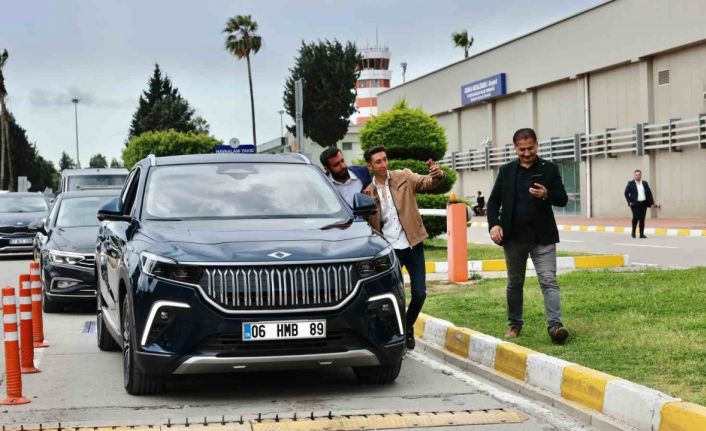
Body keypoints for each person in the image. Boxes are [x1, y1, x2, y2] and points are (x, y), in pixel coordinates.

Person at [486, 128, 570, 344]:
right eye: (522, 149)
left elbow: (562, 199)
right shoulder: (506, 171)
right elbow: (493, 202)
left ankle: (555, 326)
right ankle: (514, 324)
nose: (526, 153)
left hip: (543, 238)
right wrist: (494, 225)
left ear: (536, 146)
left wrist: (546, 194)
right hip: (513, 238)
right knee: (515, 283)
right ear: (515, 148)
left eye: (530, 148)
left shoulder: (549, 169)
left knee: (549, 281)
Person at [362, 146, 444, 350]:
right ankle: (392, 334)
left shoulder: (403, 177)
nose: (383, 164)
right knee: (392, 297)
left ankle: (407, 326)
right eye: (378, 161)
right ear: (370, 166)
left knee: (420, 294)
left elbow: (426, 182)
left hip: (412, 244)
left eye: (385, 159)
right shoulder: (367, 192)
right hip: (389, 251)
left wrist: (437, 175)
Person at [624, 169, 660, 239]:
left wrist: (652, 203)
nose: (638, 176)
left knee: (642, 219)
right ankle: (633, 232)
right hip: (634, 204)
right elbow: (626, 193)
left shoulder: (645, 183)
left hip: (643, 203)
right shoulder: (630, 183)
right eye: (636, 174)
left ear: (641, 175)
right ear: (634, 175)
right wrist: (629, 202)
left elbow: (649, 193)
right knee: (635, 217)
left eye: (639, 174)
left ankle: (641, 234)